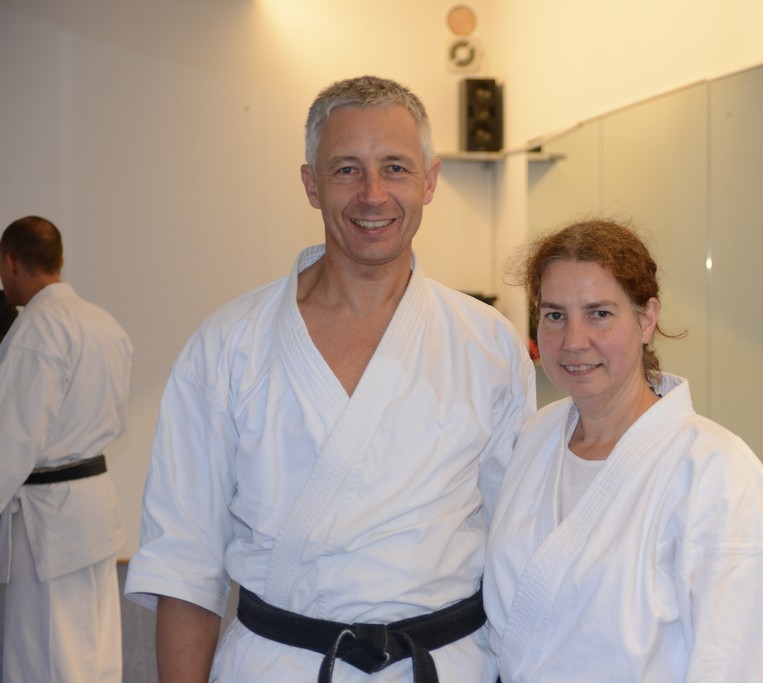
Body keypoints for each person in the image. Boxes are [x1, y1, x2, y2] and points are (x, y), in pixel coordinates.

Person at [124, 75, 535, 682]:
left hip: (447, 665)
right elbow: (184, 563)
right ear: (311, 184)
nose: (373, 195)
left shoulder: (488, 344)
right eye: (346, 170)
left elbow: (517, 551)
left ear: (429, 181)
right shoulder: (228, 345)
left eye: (395, 167)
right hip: (279, 664)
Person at [484, 219, 763, 682]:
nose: (573, 341)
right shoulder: (535, 437)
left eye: (600, 313)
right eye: (555, 315)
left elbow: (736, 663)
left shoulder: (716, 470)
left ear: (647, 319)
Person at [0, 215, 133, 683]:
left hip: (49, 521)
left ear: (11, 263)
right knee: (97, 646)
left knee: (49, 653)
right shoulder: (104, 324)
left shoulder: (35, 331)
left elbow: (12, 443)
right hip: (93, 507)